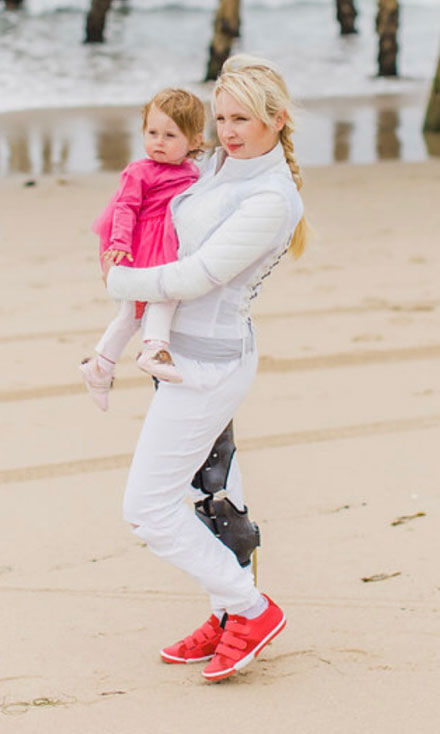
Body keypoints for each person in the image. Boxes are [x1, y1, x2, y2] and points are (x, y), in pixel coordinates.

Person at [102, 54, 307, 682]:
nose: (228, 130)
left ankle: (251, 609)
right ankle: (226, 614)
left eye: (242, 118)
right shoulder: (222, 164)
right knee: (213, 497)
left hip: (209, 364)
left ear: (277, 121)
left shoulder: (272, 198)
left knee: (148, 509)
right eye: (220, 118)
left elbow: (197, 276)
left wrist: (120, 279)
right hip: (183, 356)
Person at [80, 88, 205, 410]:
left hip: (168, 243)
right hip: (141, 245)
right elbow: (125, 207)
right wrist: (119, 243)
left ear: (193, 141)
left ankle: (99, 367)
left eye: (169, 135)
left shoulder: (192, 172)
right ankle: (154, 349)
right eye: (152, 133)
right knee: (163, 295)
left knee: (132, 314)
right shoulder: (140, 170)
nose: (158, 142)